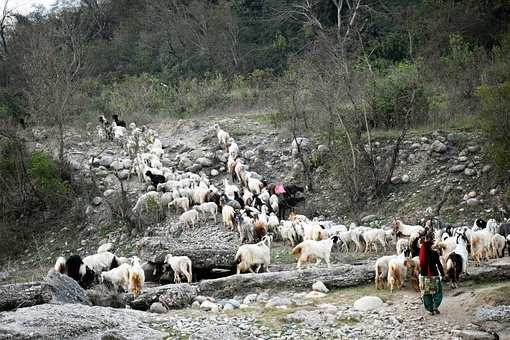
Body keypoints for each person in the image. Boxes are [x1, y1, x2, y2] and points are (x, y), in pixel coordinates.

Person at [418, 229, 444, 315]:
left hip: (424, 275)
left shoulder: (421, 253)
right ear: (432, 244)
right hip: (434, 275)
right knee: (438, 292)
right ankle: (435, 306)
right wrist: (443, 274)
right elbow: (439, 265)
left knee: (426, 293)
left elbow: (421, 264)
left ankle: (430, 310)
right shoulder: (435, 253)